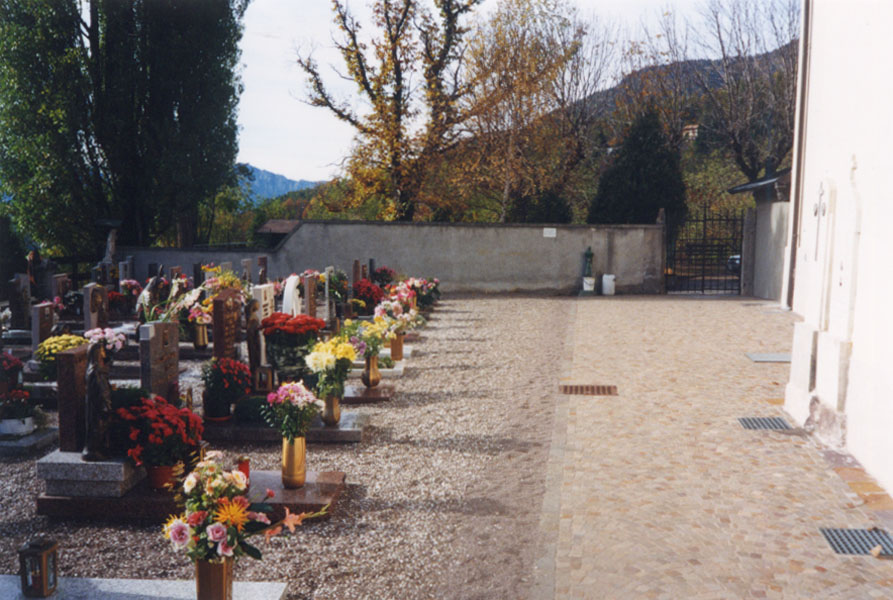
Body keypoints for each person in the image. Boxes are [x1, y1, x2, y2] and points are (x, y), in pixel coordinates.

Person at [82, 342, 112, 461]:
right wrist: (105, 404)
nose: (104, 353)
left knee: (103, 427)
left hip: (103, 402)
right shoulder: (94, 371)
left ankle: (99, 449)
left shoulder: (100, 369)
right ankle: (91, 450)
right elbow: (99, 390)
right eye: (102, 351)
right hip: (98, 405)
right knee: (97, 427)